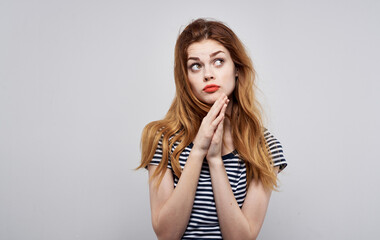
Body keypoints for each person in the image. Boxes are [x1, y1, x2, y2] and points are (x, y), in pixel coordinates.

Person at [136, 18, 287, 240]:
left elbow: (241, 238)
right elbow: (167, 235)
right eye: (195, 65)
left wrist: (215, 160)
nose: (208, 74)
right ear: (185, 78)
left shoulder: (264, 146)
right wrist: (198, 151)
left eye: (218, 61)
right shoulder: (162, 138)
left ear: (236, 68)